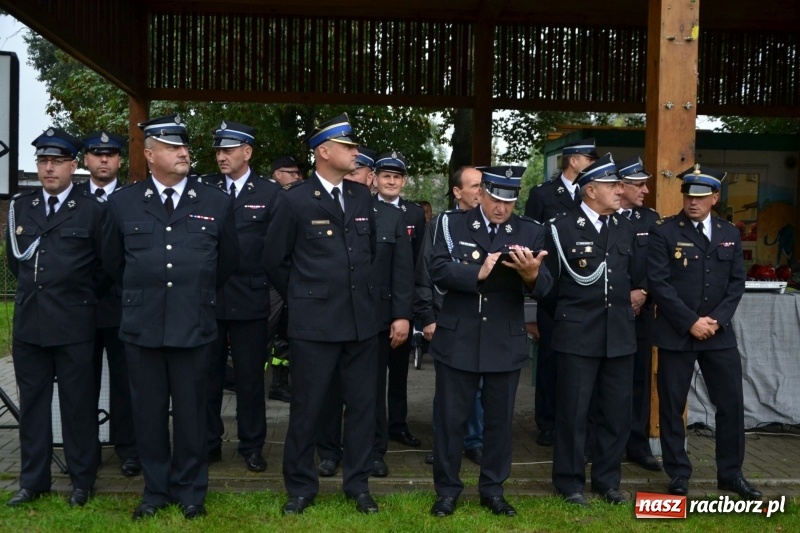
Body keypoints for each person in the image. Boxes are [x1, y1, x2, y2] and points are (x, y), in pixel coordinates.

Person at [101, 113, 239, 520]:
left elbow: (226, 261)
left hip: (193, 324)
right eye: (172, 147)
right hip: (143, 326)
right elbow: (112, 263)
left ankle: (192, 490)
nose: (184, 153)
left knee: (194, 413)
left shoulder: (215, 202)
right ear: (149, 154)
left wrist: (193, 295)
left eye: (184, 147)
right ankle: (155, 490)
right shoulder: (123, 203)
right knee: (148, 414)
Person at [264, 114, 380, 515]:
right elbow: (274, 259)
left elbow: (371, 256)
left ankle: (359, 485)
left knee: (364, 408)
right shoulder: (293, 198)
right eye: (348, 147)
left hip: (361, 321)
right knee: (307, 409)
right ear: (323, 152)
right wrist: (302, 296)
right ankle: (300, 486)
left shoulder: (363, 196)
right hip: (314, 323)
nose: (356, 152)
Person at [428, 166, 551, 518]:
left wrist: (532, 276)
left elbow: (548, 288)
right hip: (459, 336)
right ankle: (447, 490)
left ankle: (493, 490)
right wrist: (476, 273)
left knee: (499, 423)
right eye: (497, 199)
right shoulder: (451, 225)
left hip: (503, 339)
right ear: (480, 193)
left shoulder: (530, 230)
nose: (502, 208)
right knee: (451, 420)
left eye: (510, 201)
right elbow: (436, 268)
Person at [647, 164, 762, 500]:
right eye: (687, 195)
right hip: (676, 332)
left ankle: (730, 474)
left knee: (730, 405)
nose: (692, 202)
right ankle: (678, 473)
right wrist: (690, 322)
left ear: (715, 197)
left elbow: (736, 282)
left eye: (700, 196)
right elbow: (659, 283)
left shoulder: (729, 232)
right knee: (672, 406)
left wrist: (715, 320)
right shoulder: (664, 232)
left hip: (718, 334)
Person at [5, 128, 105, 508]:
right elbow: (15, 262)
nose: (49, 168)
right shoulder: (22, 206)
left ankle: (82, 480)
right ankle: (33, 480)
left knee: (77, 407)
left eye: (57, 161)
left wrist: (74, 296)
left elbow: (105, 266)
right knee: (32, 406)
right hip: (30, 324)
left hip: (74, 323)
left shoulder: (93, 209)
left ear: (73, 166)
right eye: (43, 161)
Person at [316, 146, 415, 478]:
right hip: (333, 313)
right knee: (331, 386)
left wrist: (402, 315)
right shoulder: (334, 209)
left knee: (371, 389)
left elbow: (403, 272)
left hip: (375, 318)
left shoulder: (393, 216)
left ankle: (373, 451)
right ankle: (329, 451)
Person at [545, 154, 636, 507]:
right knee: (573, 412)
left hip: (619, 335)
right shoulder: (560, 228)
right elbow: (549, 287)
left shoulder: (625, 227)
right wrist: (571, 319)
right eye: (613, 185)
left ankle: (607, 480)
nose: (620, 190)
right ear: (590, 190)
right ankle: (569, 482)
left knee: (615, 413)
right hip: (578, 334)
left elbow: (635, 277)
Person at [202, 120, 280, 472]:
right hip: (210, 298)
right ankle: (208, 442)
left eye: (228, 150)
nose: (221, 156)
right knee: (208, 376)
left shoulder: (269, 193)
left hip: (250, 297)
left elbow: (276, 247)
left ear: (247, 152)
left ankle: (252, 445)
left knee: (250, 378)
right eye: (218, 150)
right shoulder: (203, 187)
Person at [523, 138, 598, 447]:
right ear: (573, 160)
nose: (592, 164)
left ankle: (578, 422)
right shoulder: (542, 194)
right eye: (589, 159)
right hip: (552, 290)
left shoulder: (590, 195)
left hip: (583, 290)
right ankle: (548, 422)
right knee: (550, 360)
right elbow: (532, 239)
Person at [77, 130, 141, 478]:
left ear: (120, 160)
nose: (104, 160)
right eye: (96, 154)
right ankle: (85, 452)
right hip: (80, 309)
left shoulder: (131, 199)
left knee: (125, 384)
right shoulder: (72, 199)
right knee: (82, 385)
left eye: (111, 155)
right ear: (85, 160)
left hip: (121, 307)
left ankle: (128, 449)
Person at [414, 166, 486, 466]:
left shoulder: (494, 224)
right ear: (457, 192)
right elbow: (424, 274)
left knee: (479, 386)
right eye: (475, 186)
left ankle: (475, 441)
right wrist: (427, 317)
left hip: (482, 321)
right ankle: (446, 443)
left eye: (484, 186)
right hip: (446, 319)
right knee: (448, 388)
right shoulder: (440, 226)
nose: (481, 191)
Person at [373, 151, 426, 448]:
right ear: (375, 179)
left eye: (396, 177)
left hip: (404, 304)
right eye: (386, 176)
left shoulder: (414, 214)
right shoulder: (364, 209)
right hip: (374, 307)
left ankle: (398, 424)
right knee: (372, 374)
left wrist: (410, 309)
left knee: (400, 371)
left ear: (403, 181)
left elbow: (416, 263)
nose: (391, 181)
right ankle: (374, 426)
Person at [614, 156, 662, 472]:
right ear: (621, 187)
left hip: (641, 313)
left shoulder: (651, 219)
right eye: (639, 184)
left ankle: (637, 445)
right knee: (604, 379)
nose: (645, 190)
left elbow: (660, 264)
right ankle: (600, 444)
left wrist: (643, 291)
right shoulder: (602, 217)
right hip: (607, 312)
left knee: (638, 380)